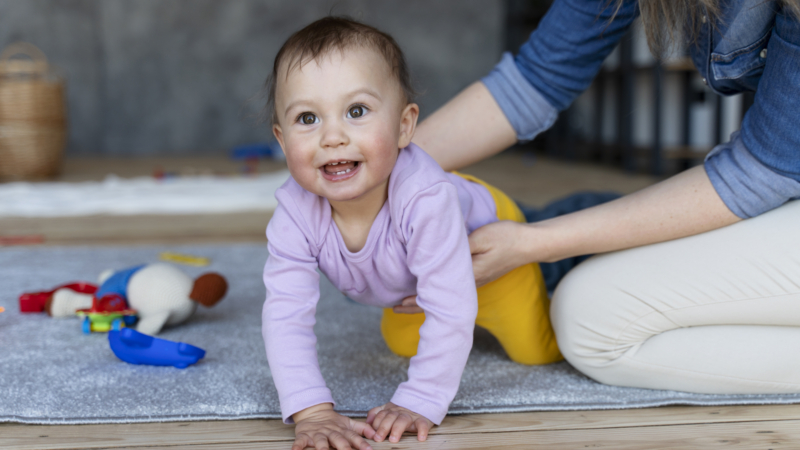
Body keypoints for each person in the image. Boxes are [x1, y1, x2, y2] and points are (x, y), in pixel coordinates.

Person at [398, 0, 800, 395]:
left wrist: (532, 243)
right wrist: (380, 170)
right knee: (584, 234)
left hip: (775, 178)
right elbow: (534, 80)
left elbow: (758, 174)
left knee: (588, 320)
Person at [261, 17, 561, 450]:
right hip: (413, 287)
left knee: (536, 350)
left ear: (404, 126)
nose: (332, 136)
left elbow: (451, 306)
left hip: (494, 248)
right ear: (282, 139)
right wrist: (312, 411)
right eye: (307, 118)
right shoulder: (294, 213)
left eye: (357, 111)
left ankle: (562, 257)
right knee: (402, 343)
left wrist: (421, 400)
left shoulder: (425, 199)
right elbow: (285, 315)